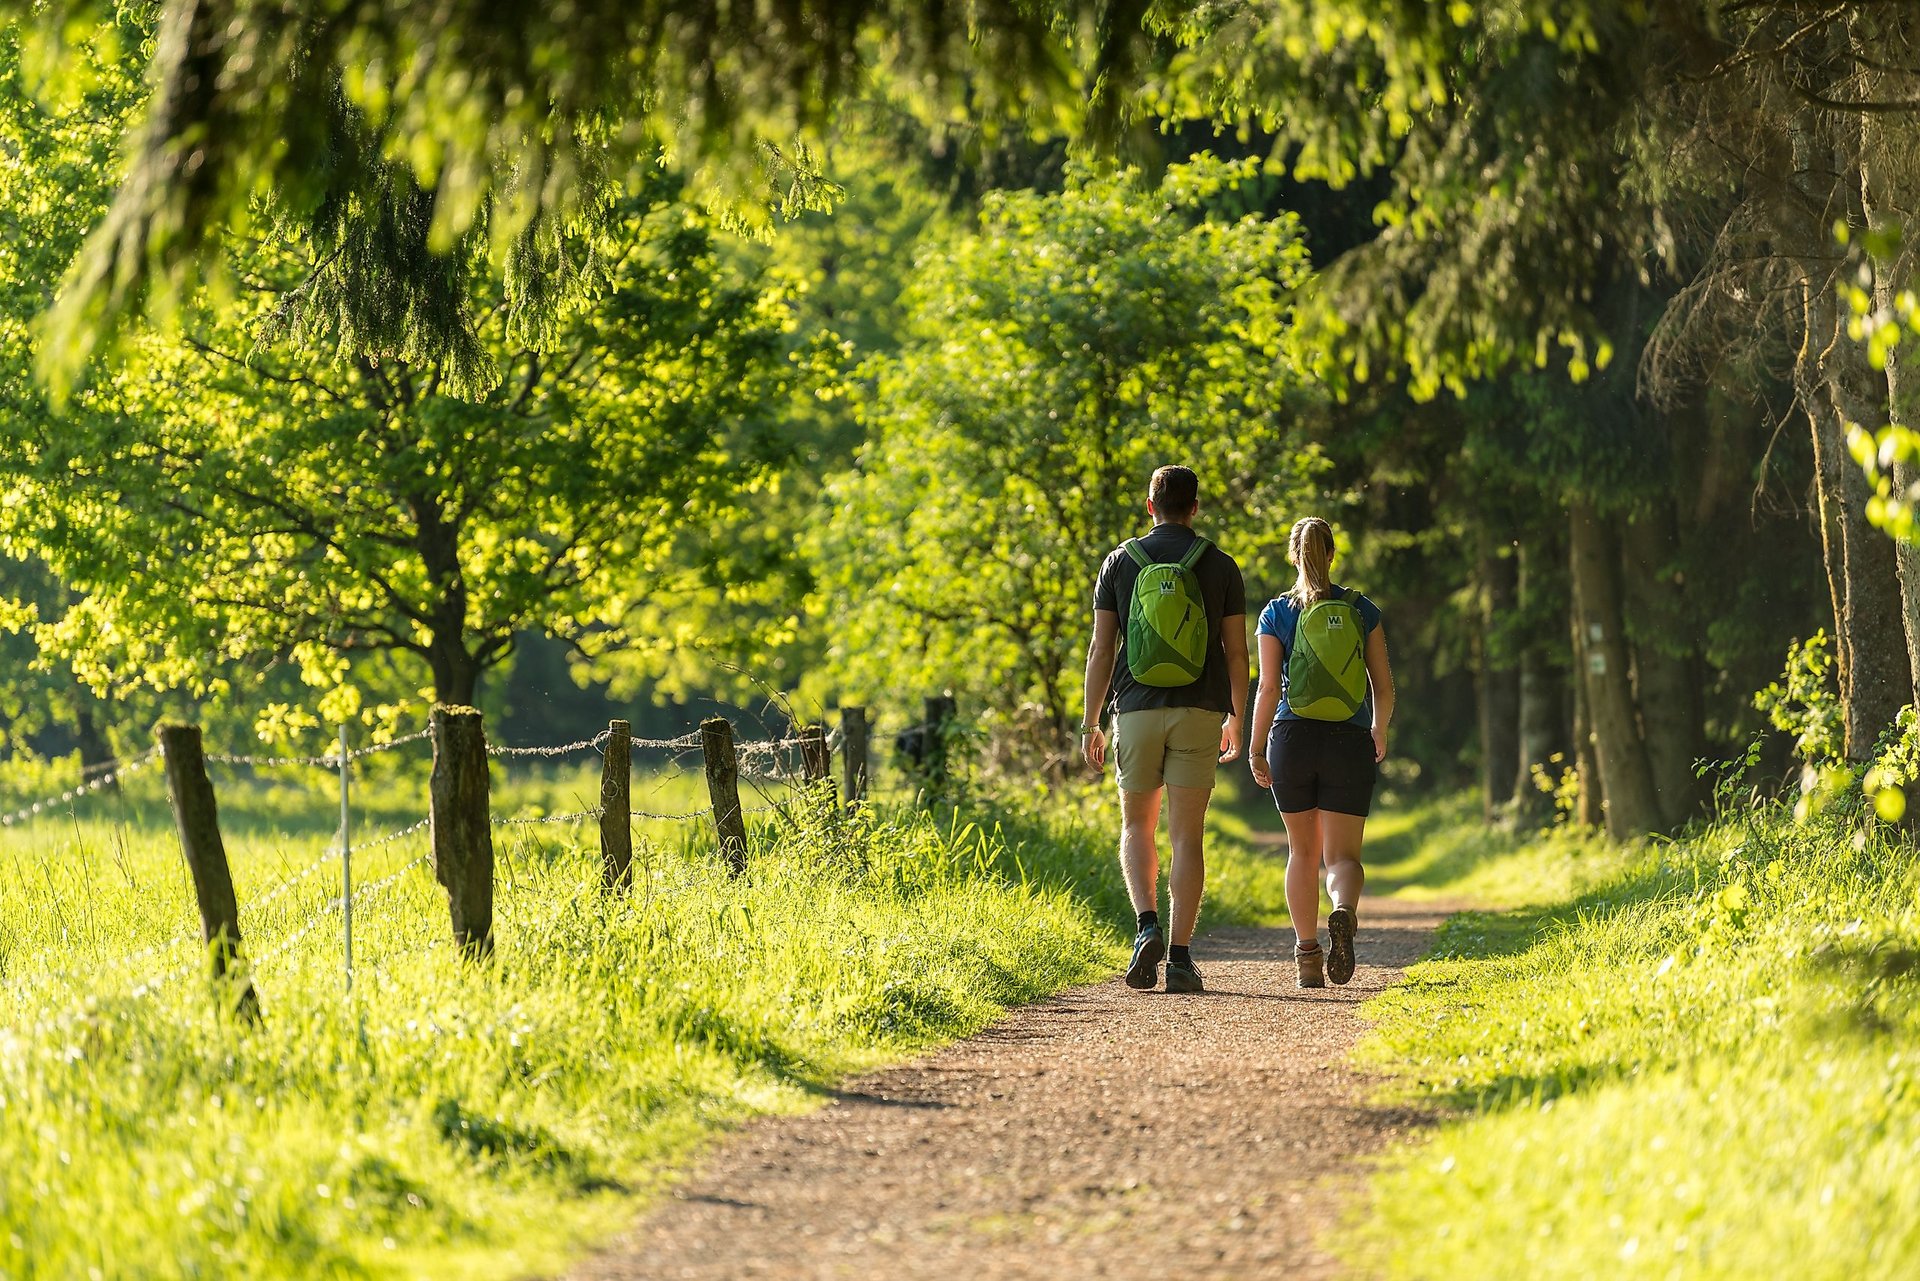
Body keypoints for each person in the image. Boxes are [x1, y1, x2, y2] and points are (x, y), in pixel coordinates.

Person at [1081, 465, 1248, 994]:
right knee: (1186, 836)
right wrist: (1237, 716)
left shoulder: (1119, 562)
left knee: (1136, 827)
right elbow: (1236, 653)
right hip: (1199, 712)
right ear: (1194, 508)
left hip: (1135, 710)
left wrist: (1089, 722)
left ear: (1150, 506)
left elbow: (1101, 649)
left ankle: (1145, 927)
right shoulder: (1220, 566)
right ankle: (1178, 959)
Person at [1248, 516, 1394, 988]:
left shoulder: (1276, 612)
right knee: (1343, 858)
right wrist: (1378, 729)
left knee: (1301, 852)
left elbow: (1269, 687)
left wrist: (1256, 746)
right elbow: (1383, 686)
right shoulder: (1362, 608)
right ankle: (1343, 912)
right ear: (1332, 554)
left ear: (1293, 555)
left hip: (1291, 739)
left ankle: (1307, 956)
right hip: (1348, 740)